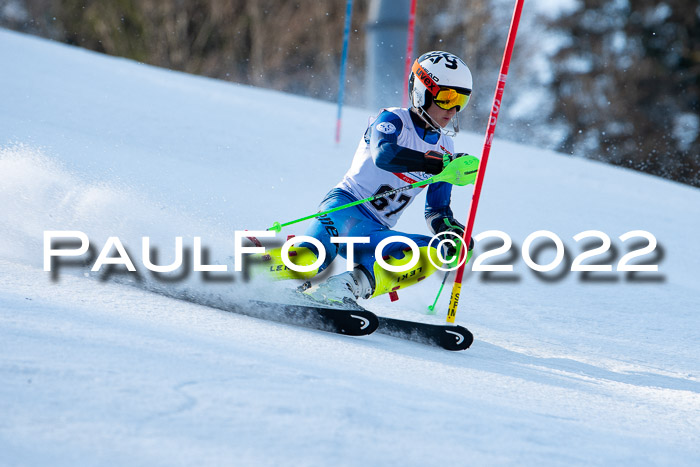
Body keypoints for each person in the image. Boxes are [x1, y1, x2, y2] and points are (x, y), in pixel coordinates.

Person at [259, 51, 478, 305]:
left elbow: (436, 210)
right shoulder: (394, 119)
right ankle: (241, 272)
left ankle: (340, 289)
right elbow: (384, 154)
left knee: (432, 252)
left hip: (375, 232)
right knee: (312, 259)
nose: (453, 109)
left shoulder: (446, 148)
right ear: (422, 91)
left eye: (461, 100)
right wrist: (435, 164)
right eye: (447, 97)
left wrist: (449, 230)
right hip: (344, 209)